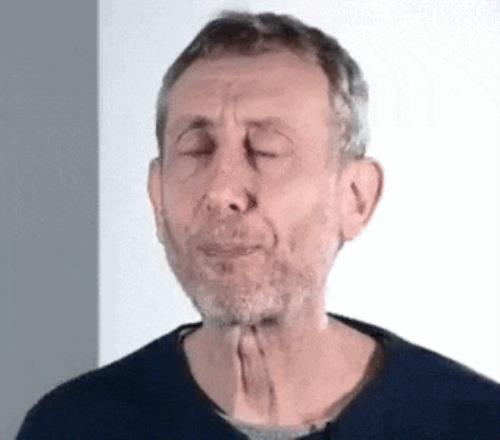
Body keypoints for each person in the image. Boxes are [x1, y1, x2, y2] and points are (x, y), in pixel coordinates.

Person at [17, 11, 500, 440]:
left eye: (266, 150)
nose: (221, 191)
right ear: (157, 196)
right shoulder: (72, 426)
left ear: (355, 198)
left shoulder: (475, 423)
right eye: (197, 150)